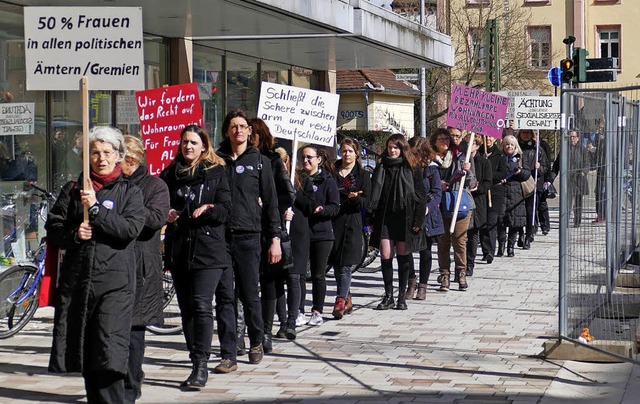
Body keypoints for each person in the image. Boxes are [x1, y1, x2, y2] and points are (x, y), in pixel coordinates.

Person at [46, 126, 145, 403]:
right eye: (95, 152)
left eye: (107, 152)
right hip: (80, 285)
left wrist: (98, 210)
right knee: (88, 354)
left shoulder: (130, 192)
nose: (101, 158)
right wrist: (74, 234)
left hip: (114, 286)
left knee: (109, 352)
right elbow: (53, 228)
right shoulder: (74, 189)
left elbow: (129, 229)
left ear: (118, 157)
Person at [160, 124, 236, 387]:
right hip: (180, 247)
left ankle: (201, 364)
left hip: (209, 249)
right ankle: (195, 357)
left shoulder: (216, 172)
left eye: (193, 142)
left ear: (204, 146)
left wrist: (210, 208)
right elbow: (158, 203)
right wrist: (165, 213)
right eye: (184, 142)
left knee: (202, 304)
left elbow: (227, 209)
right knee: (187, 309)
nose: (188, 147)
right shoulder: (169, 173)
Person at [217, 110, 282, 365]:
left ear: (249, 131)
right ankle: (230, 350)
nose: (239, 131)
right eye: (233, 126)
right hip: (221, 237)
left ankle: (256, 340)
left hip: (249, 237)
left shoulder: (259, 161)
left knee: (249, 294)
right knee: (225, 297)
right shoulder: (217, 160)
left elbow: (271, 202)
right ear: (226, 131)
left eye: (243, 126)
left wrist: (275, 237)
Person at [119, 135, 170, 402]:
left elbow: (156, 218)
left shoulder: (155, 185)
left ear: (131, 159)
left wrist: (126, 209)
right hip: (113, 265)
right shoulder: (110, 184)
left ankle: (131, 384)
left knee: (134, 330)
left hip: (140, 266)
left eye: (118, 156)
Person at [250, 118, 296, 351]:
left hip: (268, 229)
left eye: (253, 133)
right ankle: (245, 330)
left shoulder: (272, 160)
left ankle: (266, 331)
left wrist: (268, 203)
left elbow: (288, 195)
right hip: (243, 228)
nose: (248, 136)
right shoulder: (231, 159)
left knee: (269, 281)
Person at [368, 133, 427, 310]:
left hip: (405, 216)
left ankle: (402, 296)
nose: (392, 151)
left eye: (396, 147)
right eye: (390, 147)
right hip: (385, 217)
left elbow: (420, 195)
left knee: (403, 256)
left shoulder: (412, 168)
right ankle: (388, 295)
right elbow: (374, 193)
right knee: (386, 255)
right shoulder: (381, 167)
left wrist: (418, 219)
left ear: (402, 148)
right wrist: (370, 217)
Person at [295, 145, 340, 325]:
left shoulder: (327, 180)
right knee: (299, 275)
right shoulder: (296, 179)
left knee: (318, 274)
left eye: (309, 157)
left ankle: (317, 310)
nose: (305, 161)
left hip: (322, 233)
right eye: (303, 157)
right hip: (301, 233)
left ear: (318, 159)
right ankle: (298, 310)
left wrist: (322, 211)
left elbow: (335, 206)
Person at [329, 137, 371, 319]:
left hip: (352, 222)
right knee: (336, 264)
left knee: (345, 265)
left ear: (357, 153)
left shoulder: (362, 175)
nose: (346, 154)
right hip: (333, 221)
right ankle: (347, 297)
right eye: (344, 150)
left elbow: (367, 201)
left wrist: (354, 198)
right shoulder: (332, 171)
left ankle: (339, 299)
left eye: (350, 151)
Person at [430, 127, 476, 292]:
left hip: (461, 203)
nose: (450, 140)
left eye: (456, 136)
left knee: (459, 240)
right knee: (443, 242)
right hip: (441, 204)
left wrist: (467, 170)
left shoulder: (463, 155)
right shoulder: (434, 158)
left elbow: (472, 183)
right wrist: (437, 184)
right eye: (449, 137)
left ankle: (461, 272)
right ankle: (444, 274)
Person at [406, 136, 443, 299]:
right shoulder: (406, 168)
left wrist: (427, 208)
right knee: (407, 250)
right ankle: (411, 281)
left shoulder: (432, 169)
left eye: (418, 154)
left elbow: (437, 192)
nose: (415, 158)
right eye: (412, 154)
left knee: (425, 251)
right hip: (409, 213)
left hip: (426, 215)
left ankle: (423, 285)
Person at [499, 135, 531, 257]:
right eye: (507, 144)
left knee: (514, 221)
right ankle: (501, 245)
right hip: (502, 192)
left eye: (512, 144)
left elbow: (527, 174)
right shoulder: (500, 157)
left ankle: (510, 247)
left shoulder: (521, 158)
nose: (509, 147)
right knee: (500, 221)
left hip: (516, 193)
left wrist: (520, 172)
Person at [465, 135, 492, 277]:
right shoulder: (461, 160)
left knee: (473, 233)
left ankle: (470, 264)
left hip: (477, 201)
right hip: (463, 200)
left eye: (474, 143)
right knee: (462, 235)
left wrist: (478, 187)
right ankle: (461, 264)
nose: (471, 146)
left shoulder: (483, 162)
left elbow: (488, 182)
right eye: (469, 143)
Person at [550, 130, 589, 228]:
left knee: (578, 202)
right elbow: (556, 165)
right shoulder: (564, 149)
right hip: (567, 179)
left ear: (578, 138)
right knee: (567, 202)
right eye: (570, 137)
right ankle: (565, 221)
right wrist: (551, 177)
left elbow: (587, 163)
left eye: (574, 137)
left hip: (579, 179)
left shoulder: (582, 149)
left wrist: (584, 171)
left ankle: (577, 221)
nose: (572, 139)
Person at [517, 129, 548, 249]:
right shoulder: (516, 148)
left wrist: (539, 168)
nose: (525, 135)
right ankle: (520, 233)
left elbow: (545, 166)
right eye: (523, 132)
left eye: (528, 133)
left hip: (532, 184)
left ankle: (529, 235)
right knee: (519, 212)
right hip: (518, 183)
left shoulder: (537, 149)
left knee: (531, 211)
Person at [480, 135, 509, 260]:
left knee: (491, 221)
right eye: (485, 137)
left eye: (490, 137)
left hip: (495, 192)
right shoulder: (478, 153)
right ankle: (486, 250)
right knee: (482, 222)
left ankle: (490, 251)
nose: (488, 139)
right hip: (481, 192)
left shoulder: (500, 155)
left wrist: (488, 173)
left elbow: (503, 173)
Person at [588, 119, 606, 223]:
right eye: (598, 128)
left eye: (601, 128)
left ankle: (603, 215)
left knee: (602, 193)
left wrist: (594, 150)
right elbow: (597, 154)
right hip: (600, 169)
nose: (599, 130)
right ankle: (600, 214)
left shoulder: (607, 139)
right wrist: (592, 150)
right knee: (598, 192)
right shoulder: (598, 138)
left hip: (607, 169)